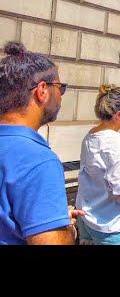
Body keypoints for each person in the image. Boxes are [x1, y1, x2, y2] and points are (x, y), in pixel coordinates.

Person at [0, 41, 83, 245]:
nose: (61, 97)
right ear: (42, 90)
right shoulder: (37, 160)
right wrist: (66, 229)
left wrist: (48, 216)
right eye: (60, 88)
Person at [75, 85, 120, 245]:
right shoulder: (114, 141)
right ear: (119, 114)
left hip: (87, 216)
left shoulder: (91, 134)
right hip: (111, 222)